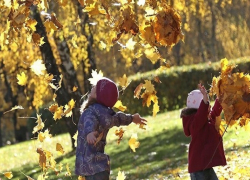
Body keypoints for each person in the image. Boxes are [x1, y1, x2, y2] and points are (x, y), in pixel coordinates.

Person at [75, 77, 147, 180]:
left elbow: (89, 121)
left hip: (90, 165)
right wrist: (132, 118)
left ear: (97, 95)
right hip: (100, 165)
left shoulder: (90, 112)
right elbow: (119, 118)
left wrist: (89, 132)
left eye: (95, 87)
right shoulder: (107, 114)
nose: (92, 88)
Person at [180, 83, 227, 180]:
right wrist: (204, 100)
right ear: (199, 108)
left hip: (206, 166)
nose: (209, 107)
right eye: (206, 104)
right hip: (197, 169)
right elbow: (200, 117)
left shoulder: (205, 119)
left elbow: (214, 113)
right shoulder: (195, 124)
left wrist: (220, 99)